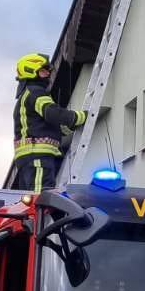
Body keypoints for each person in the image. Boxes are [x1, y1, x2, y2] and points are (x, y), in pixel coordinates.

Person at [11, 53, 88, 193]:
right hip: (37, 157)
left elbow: (47, 125)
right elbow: (53, 113)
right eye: (43, 71)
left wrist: (70, 128)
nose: (48, 74)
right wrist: (81, 116)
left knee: (32, 197)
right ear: (31, 71)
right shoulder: (36, 93)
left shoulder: (27, 95)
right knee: (40, 198)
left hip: (30, 158)